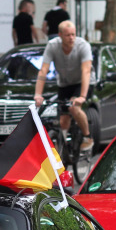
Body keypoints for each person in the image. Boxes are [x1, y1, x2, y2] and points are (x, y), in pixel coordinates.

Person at [34, 20, 93, 152]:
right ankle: (63, 147)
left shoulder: (83, 46)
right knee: (63, 119)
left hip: (82, 82)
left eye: (73, 34)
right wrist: (38, 94)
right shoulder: (52, 46)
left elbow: (86, 71)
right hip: (65, 83)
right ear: (60, 35)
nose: (72, 38)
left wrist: (82, 96)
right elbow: (43, 70)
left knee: (74, 108)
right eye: (68, 35)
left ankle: (87, 136)